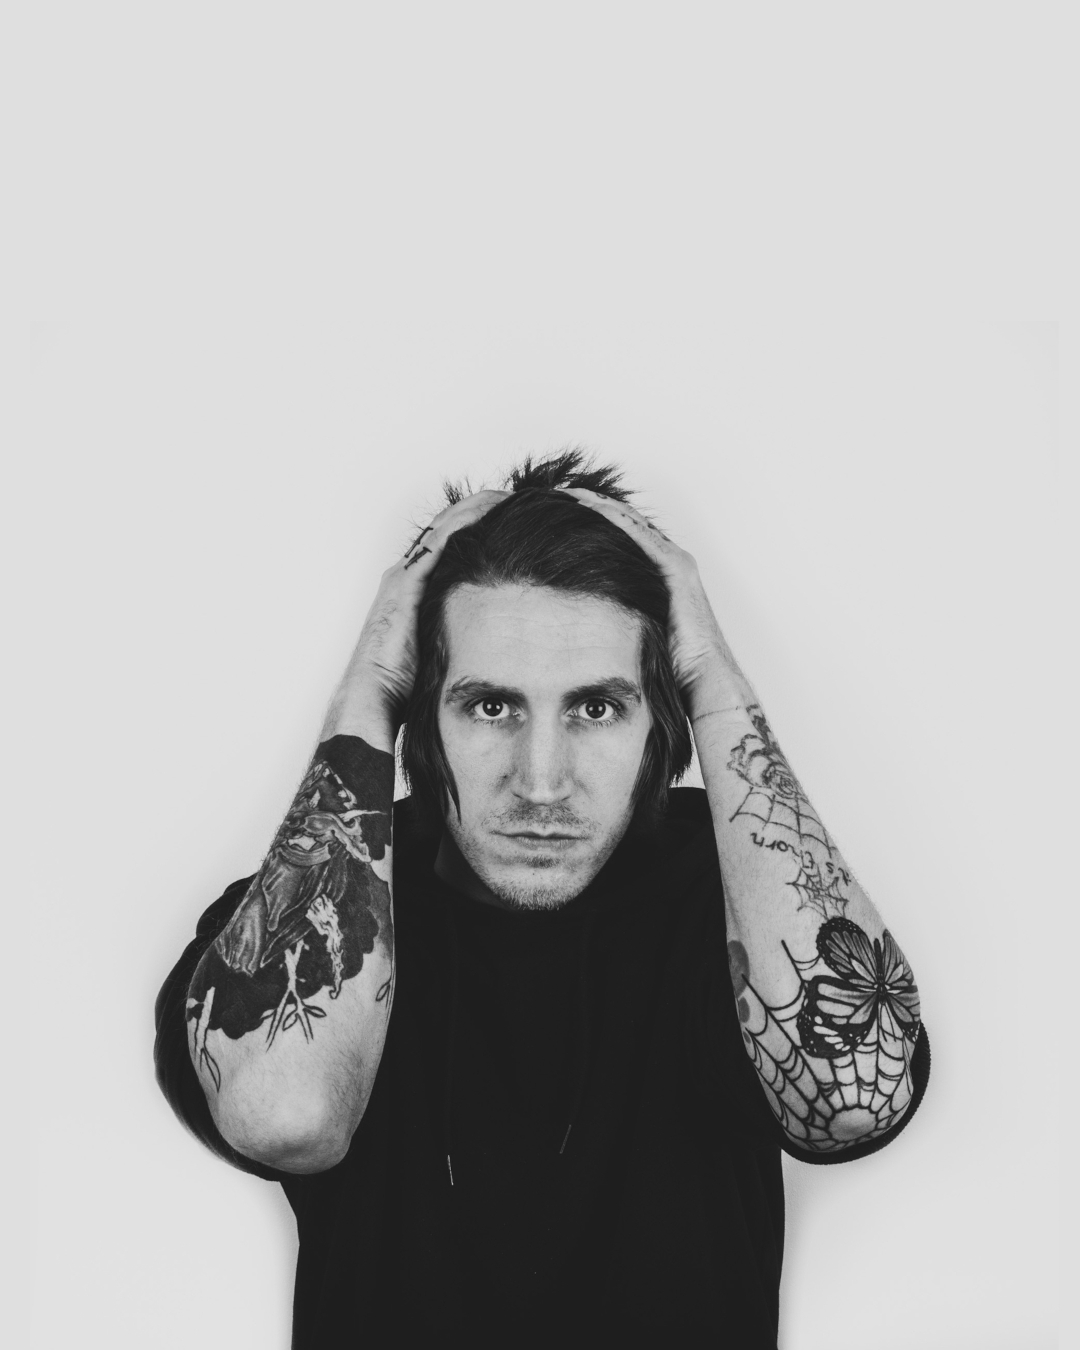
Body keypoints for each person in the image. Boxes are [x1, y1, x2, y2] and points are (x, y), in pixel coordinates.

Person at [155, 450, 929, 1347]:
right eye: (490, 707)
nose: (542, 781)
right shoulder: (309, 908)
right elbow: (284, 1117)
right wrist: (365, 696)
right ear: (424, 720)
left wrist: (716, 686)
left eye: (597, 708)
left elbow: (853, 1102)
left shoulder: (735, 904)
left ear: (661, 720)